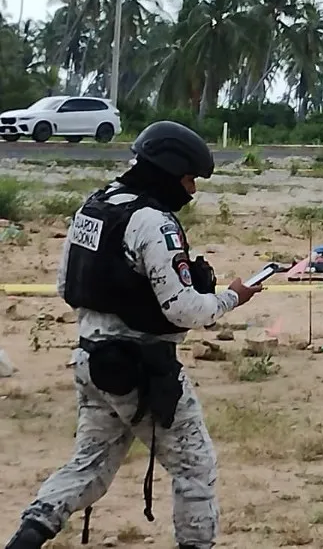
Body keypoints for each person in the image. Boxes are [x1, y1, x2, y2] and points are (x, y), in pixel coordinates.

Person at [5, 121, 263, 549]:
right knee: (194, 468)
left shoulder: (94, 206)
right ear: (169, 170)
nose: (192, 190)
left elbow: (65, 284)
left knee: (88, 466)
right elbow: (183, 308)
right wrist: (231, 298)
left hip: (91, 361)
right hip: (143, 367)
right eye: (189, 179)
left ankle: (26, 536)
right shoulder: (153, 222)